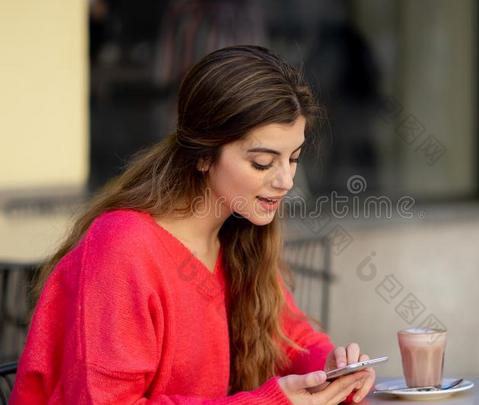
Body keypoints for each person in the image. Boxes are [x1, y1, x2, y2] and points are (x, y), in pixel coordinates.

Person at [10, 45, 375, 404]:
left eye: (293, 158)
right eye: (263, 163)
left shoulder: (239, 233)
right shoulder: (122, 247)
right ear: (203, 155)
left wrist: (329, 368)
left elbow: (287, 334)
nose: (286, 181)